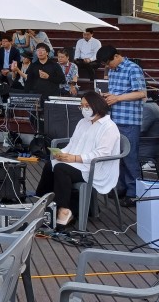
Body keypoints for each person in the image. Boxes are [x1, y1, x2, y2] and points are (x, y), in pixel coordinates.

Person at [35, 91, 121, 227]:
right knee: (50, 165)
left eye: (87, 106)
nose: (84, 109)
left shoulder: (109, 127)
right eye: (82, 106)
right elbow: (72, 144)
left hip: (95, 167)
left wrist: (75, 158)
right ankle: (42, 202)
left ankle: (64, 210)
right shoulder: (83, 122)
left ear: (96, 105)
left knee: (61, 169)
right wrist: (61, 154)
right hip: (77, 162)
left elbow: (102, 154)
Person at [96, 45, 146, 207]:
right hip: (114, 119)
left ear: (117, 56)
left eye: (108, 63)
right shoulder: (112, 70)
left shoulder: (133, 68)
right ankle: (121, 187)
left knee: (130, 157)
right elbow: (116, 93)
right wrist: (109, 96)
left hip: (129, 120)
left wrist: (117, 98)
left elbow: (142, 93)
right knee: (117, 156)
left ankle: (134, 193)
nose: (108, 67)